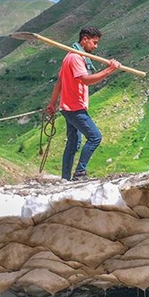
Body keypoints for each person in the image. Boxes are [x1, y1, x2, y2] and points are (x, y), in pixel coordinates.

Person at [45, 26, 121, 181]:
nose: (96, 46)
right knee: (95, 137)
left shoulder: (70, 56)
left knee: (73, 143)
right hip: (74, 107)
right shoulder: (76, 58)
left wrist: (52, 103)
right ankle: (80, 173)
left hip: (67, 106)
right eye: (94, 42)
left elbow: (59, 82)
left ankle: (65, 178)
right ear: (85, 39)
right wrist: (109, 70)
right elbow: (86, 80)